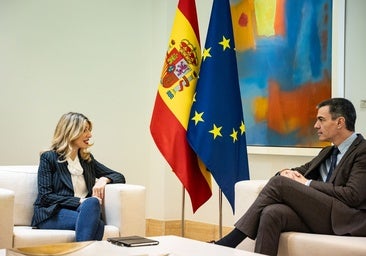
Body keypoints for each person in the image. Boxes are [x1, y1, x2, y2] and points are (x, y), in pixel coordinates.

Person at [215, 98, 366, 255]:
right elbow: (299, 171)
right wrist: (284, 173)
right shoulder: (327, 152)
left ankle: (229, 242)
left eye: (321, 120)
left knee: (279, 184)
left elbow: (353, 195)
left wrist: (308, 183)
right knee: (272, 213)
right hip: (322, 215)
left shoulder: (362, 151)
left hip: (344, 219)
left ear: (340, 122)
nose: (316, 125)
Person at [31, 112, 126, 241]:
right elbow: (45, 196)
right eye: (84, 130)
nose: (90, 135)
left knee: (92, 203)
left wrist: (103, 180)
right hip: (52, 213)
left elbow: (119, 176)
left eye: (89, 130)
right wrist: (80, 201)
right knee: (97, 223)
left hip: (83, 210)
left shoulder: (86, 160)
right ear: (71, 132)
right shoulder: (49, 157)